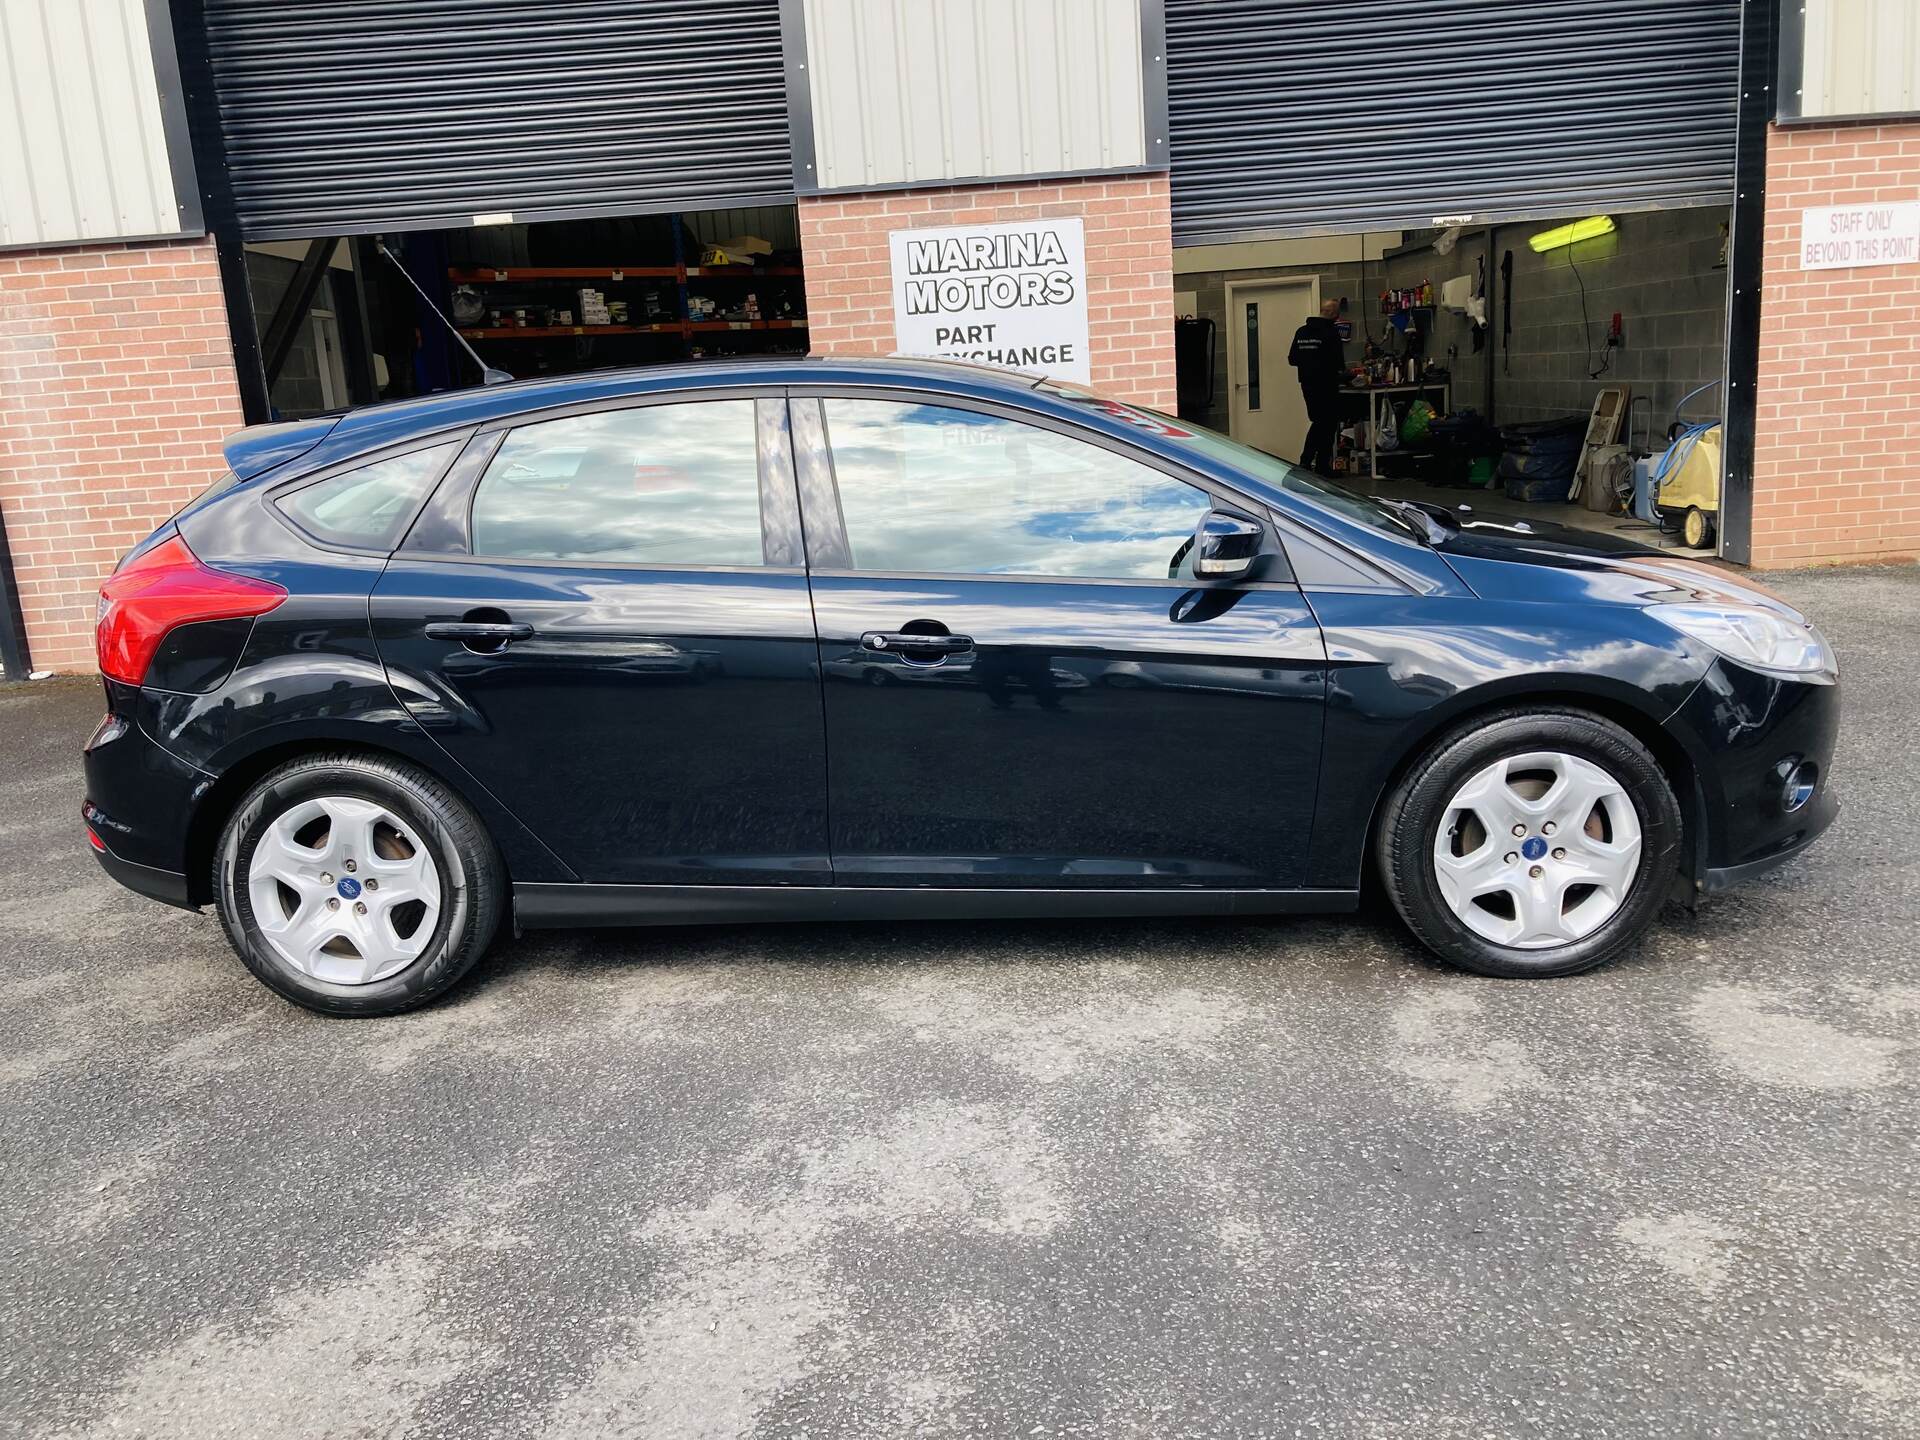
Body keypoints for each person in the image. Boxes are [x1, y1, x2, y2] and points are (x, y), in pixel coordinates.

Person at [1287, 298, 1346, 475]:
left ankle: (1315, 464)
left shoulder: (1302, 331)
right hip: (1327, 385)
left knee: (1319, 422)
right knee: (1326, 425)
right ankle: (1310, 462)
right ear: (1335, 315)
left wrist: (1309, 362)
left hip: (1307, 385)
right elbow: (1338, 363)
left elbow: (1292, 359)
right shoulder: (1331, 332)